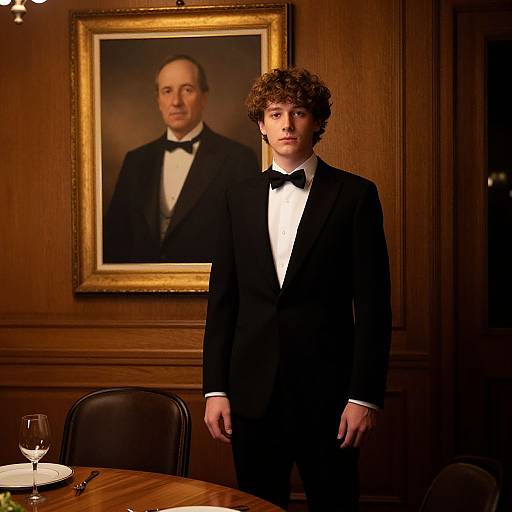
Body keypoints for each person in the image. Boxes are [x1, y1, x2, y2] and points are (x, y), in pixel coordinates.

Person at [202, 68, 392, 511]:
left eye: (299, 112)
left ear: (317, 122)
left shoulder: (356, 195)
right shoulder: (236, 197)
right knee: (257, 506)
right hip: (251, 398)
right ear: (261, 125)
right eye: (276, 113)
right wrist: (216, 389)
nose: (287, 124)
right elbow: (223, 302)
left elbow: (374, 307)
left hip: (331, 400)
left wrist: (363, 395)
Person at [103, 55, 260, 263]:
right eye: (167, 91)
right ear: (158, 100)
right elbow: (115, 241)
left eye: (187, 90)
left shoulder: (239, 159)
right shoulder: (135, 161)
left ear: (204, 97)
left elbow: (250, 243)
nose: (176, 101)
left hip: (208, 291)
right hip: (141, 291)